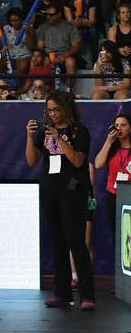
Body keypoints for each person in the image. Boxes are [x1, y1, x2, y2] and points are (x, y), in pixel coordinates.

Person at [26, 91, 96, 310]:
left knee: (75, 241)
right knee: (57, 241)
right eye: (50, 109)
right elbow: (31, 160)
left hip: (72, 190)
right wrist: (29, 137)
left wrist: (59, 138)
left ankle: (87, 295)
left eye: (57, 109)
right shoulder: (44, 132)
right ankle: (62, 293)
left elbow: (77, 161)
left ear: (66, 108)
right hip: (50, 189)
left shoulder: (79, 132)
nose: (53, 114)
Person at [93, 113, 131, 250]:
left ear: (130, 128)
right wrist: (108, 142)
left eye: (123, 125)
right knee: (118, 234)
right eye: (116, 126)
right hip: (114, 196)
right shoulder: (112, 148)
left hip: (130, 195)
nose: (119, 128)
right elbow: (98, 164)